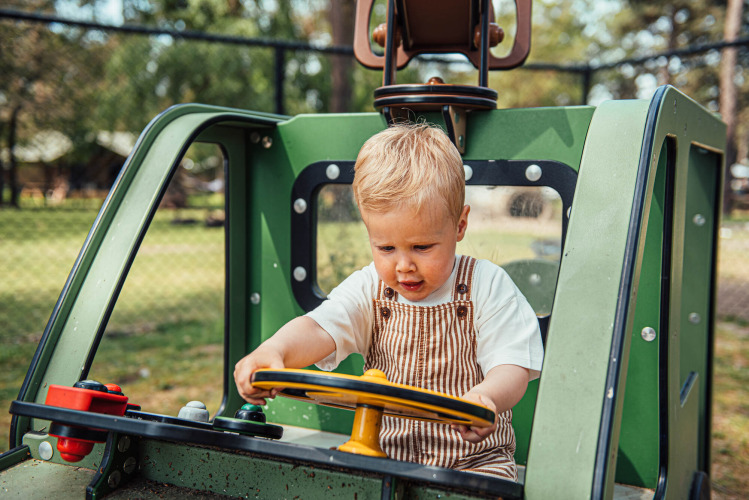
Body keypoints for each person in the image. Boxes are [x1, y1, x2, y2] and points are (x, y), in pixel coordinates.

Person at [234, 122, 544, 480]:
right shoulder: (370, 288)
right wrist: (275, 352)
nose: (404, 266)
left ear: (459, 226)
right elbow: (320, 328)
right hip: (384, 459)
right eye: (386, 248)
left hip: (474, 463)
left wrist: (486, 398)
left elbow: (511, 366)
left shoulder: (486, 286)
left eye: (422, 247)